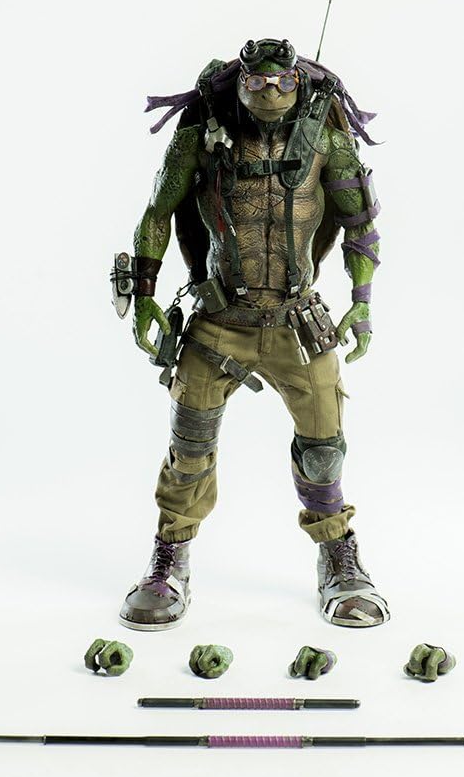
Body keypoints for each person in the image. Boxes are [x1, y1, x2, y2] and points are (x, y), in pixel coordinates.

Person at [116, 38, 390, 630]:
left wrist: (362, 303)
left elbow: (360, 224)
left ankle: (339, 559)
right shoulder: (199, 139)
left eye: (282, 82)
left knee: (324, 451)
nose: (270, 92)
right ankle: (170, 558)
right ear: (239, 83)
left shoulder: (328, 142)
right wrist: (144, 296)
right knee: (189, 450)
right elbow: (156, 215)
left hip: (299, 324)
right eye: (258, 82)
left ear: (298, 83)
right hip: (218, 324)